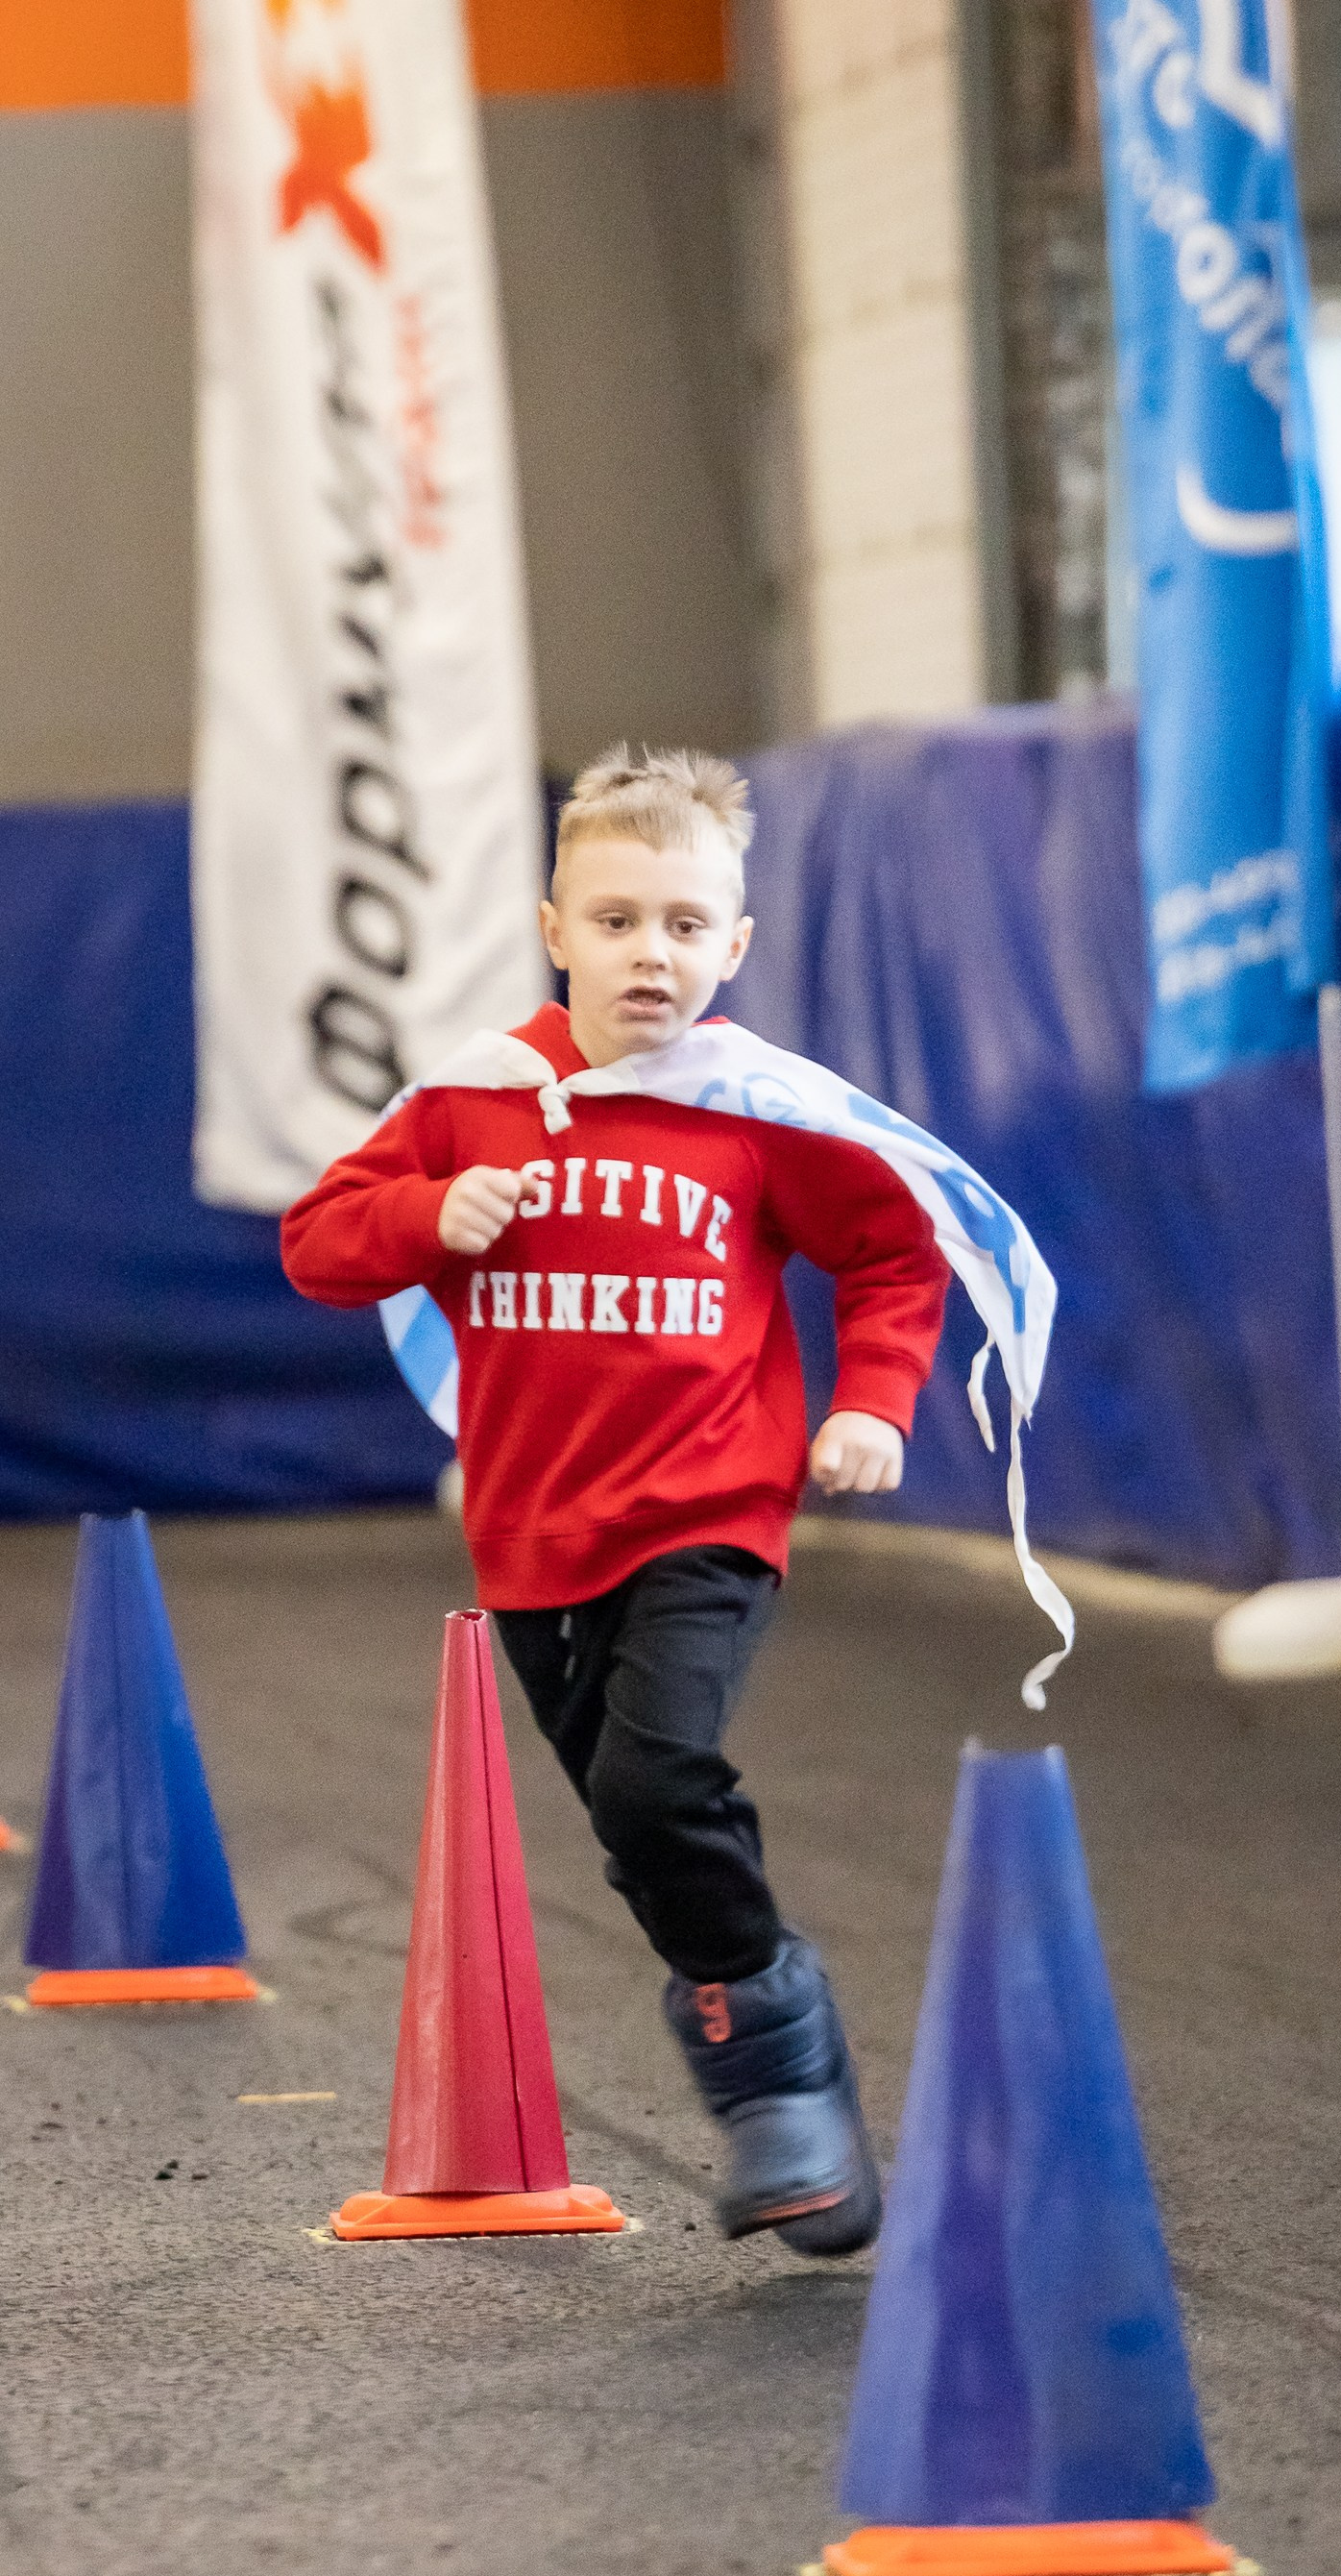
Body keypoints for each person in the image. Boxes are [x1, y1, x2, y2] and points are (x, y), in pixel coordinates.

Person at [282, 747, 951, 2253]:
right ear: (553, 928)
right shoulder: (475, 1102)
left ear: (737, 946)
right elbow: (317, 1246)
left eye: (685, 924)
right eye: (618, 919)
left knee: (657, 1785)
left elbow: (892, 1255)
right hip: (530, 1532)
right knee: (635, 1827)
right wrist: (423, 1213)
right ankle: (780, 2030)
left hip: (709, 1511)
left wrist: (870, 1403)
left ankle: (775, 2095)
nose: (652, 952)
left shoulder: (758, 1110)